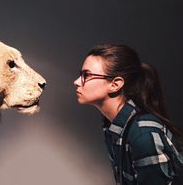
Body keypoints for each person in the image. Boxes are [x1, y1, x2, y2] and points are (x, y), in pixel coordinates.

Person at [74, 43, 183, 185]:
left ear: (115, 84)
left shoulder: (143, 135)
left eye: (86, 75)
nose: (76, 82)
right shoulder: (112, 126)